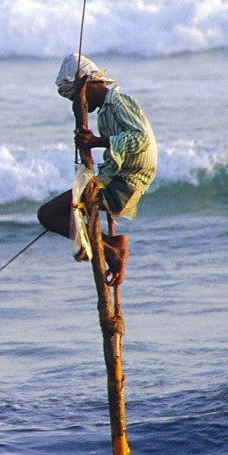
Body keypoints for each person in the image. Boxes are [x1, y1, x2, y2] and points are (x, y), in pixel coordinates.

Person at [37, 54, 157, 286]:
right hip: (116, 177)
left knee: (47, 214)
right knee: (61, 212)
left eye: (75, 96)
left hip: (125, 182)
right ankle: (111, 244)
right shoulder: (106, 111)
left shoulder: (119, 102)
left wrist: (96, 142)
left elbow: (141, 138)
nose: (76, 103)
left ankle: (111, 251)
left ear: (89, 85)